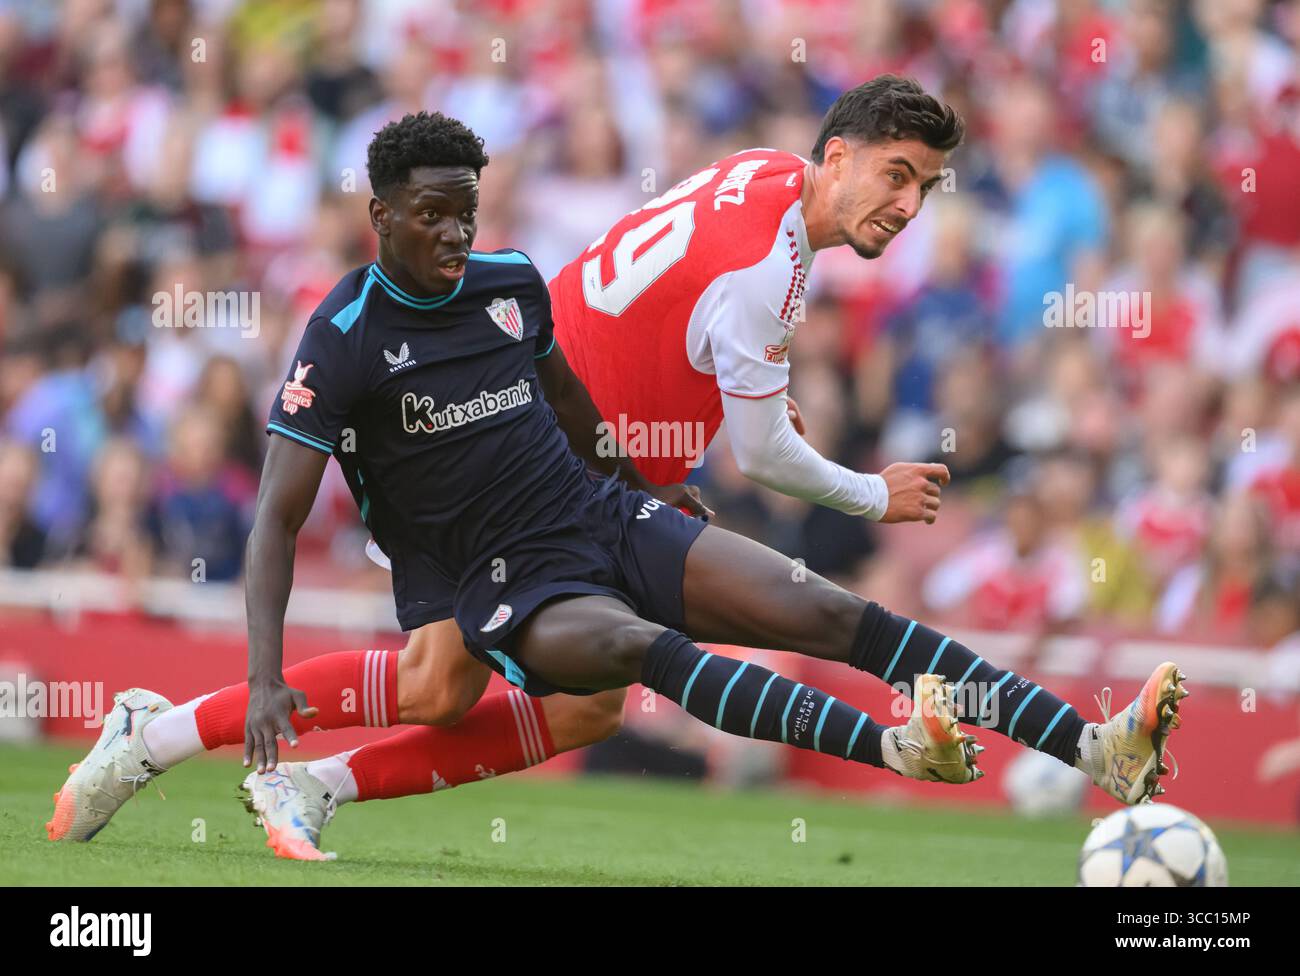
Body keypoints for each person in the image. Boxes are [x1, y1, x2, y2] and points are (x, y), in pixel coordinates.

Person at [49, 102, 1187, 862]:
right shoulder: (764, 271)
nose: (907, 202)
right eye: (896, 175)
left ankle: (1089, 748)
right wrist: (865, 492)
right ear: (835, 158)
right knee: (464, 680)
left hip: (595, 443)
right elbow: (770, 454)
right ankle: (187, 742)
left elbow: (657, 307)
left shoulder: (757, 176)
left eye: (927, 187)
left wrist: (660, 451)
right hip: (504, 460)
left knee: (498, 687)